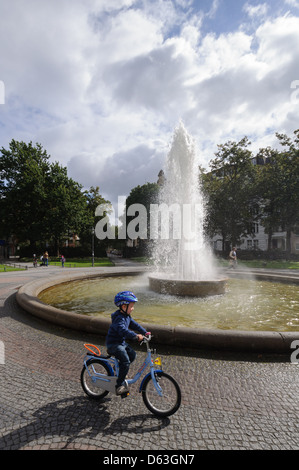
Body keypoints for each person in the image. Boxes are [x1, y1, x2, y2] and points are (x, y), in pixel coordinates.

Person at [106, 291, 148, 395]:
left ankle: (118, 371)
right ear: (124, 306)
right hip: (113, 344)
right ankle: (119, 385)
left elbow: (134, 325)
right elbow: (123, 330)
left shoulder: (127, 316)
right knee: (125, 361)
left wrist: (144, 332)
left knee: (132, 355)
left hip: (121, 343)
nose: (133, 308)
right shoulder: (119, 319)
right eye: (131, 306)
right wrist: (135, 336)